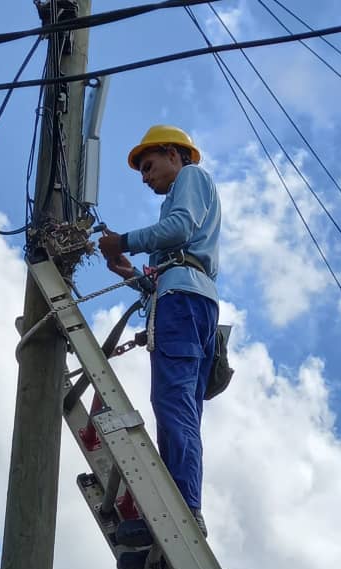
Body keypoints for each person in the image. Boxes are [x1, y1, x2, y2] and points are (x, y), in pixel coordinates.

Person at [98, 124, 221, 541]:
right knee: (176, 405)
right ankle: (177, 507)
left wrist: (124, 242)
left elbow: (180, 228)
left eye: (149, 166)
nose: (146, 177)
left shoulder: (191, 177)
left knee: (173, 403)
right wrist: (133, 274)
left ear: (174, 153)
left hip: (184, 304)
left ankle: (184, 508)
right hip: (186, 300)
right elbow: (164, 274)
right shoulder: (180, 199)